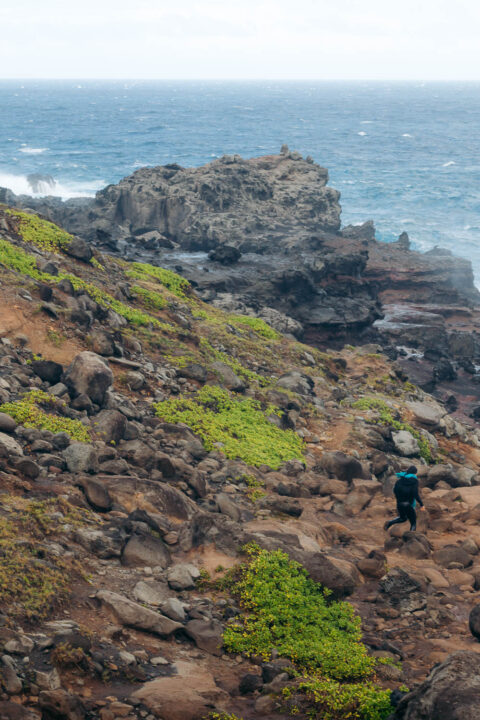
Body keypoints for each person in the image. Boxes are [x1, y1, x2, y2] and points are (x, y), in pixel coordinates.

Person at [384, 465, 424, 532]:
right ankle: (411, 539)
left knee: (403, 518)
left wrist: (399, 499)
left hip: (399, 503)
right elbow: (415, 494)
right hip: (408, 504)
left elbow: (395, 491)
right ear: (414, 473)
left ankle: (389, 523)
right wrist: (421, 504)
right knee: (413, 523)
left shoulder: (400, 480)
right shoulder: (414, 481)